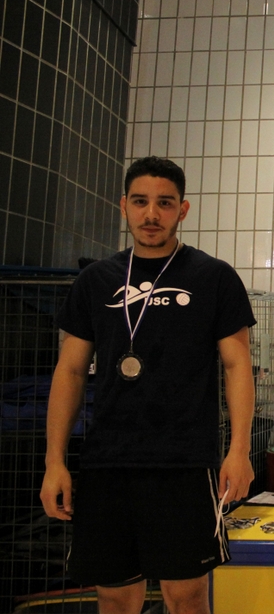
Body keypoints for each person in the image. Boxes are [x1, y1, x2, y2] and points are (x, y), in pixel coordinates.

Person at [40, 157, 256, 614]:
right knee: (115, 597)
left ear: (183, 210)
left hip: (184, 461)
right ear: (124, 206)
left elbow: (238, 365)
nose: (152, 214)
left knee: (186, 596)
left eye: (165, 203)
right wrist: (54, 461)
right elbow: (70, 372)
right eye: (140, 202)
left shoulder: (213, 277)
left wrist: (239, 451)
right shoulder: (95, 280)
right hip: (107, 463)